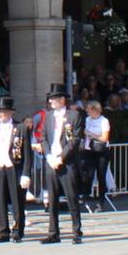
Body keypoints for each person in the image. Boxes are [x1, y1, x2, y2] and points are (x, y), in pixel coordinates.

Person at [40, 89, 83, 243]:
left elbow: (74, 140)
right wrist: (49, 155)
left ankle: (76, 231)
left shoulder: (73, 115)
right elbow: (43, 137)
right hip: (51, 160)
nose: (51, 102)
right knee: (52, 199)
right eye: (50, 99)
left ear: (62, 100)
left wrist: (61, 157)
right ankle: (53, 233)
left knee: (71, 196)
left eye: (54, 99)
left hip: (66, 161)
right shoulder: (49, 116)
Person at [0, 97, 27, 241]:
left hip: (14, 166)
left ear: (10, 113)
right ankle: (3, 231)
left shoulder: (20, 127)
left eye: (2, 112)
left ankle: (17, 230)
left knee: (17, 201)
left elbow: (27, 153)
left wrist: (26, 173)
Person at [80, 97, 114, 205]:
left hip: (101, 151)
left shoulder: (104, 121)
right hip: (89, 149)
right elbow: (84, 130)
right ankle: (85, 195)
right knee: (88, 174)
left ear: (95, 110)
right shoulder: (88, 119)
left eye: (89, 109)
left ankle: (101, 200)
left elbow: (104, 138)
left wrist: (91, 134)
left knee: (101, 175)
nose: (87, 111)